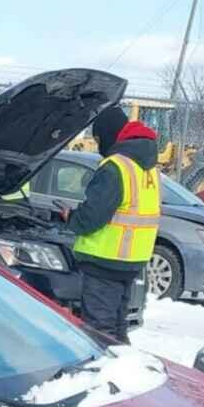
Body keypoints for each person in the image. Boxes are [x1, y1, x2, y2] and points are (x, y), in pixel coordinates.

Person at [55, 106, 161, 340]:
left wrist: (71, 218)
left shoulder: (116, 166)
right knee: (117, 326)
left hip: (105, 259)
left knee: (98, 332)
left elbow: (92, 217)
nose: (99, 144)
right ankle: (125, 369)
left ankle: (104, 373)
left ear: (109, 135)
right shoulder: (148, 167)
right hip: (133, 259)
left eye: (99, 138)